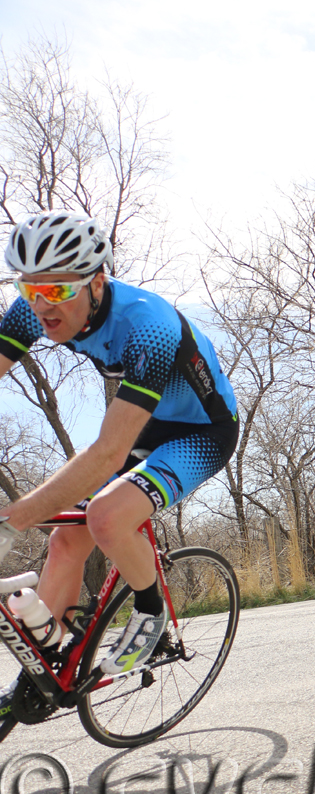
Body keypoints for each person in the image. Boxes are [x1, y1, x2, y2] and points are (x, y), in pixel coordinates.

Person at [0, 211, 239, 714]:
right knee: (66, 539)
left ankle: (150, 613)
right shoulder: (39, 307)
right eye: (30, 291)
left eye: (59, 292)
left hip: (202, 433)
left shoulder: (147, 325)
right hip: (150, 424)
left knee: (105, 516)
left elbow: (108, 450)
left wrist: (16, 518)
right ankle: (48, 667)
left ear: (98, 281)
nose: (43, 306)